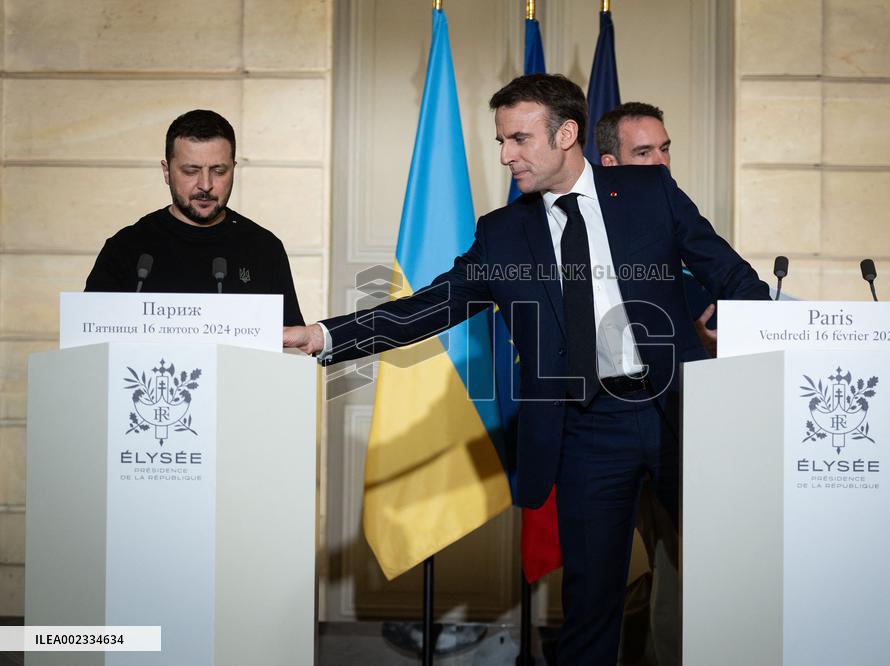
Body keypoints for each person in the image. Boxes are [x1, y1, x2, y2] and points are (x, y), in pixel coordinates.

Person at [284, 73, 769, 664]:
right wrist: (326, 334)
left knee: (736, 577)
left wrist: (753, 328)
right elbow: (430, 306)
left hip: (681, 412)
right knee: (591, 606)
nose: (507, 154)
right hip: (588, 429)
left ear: (566, 134)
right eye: (501, 141)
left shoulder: (650, 193)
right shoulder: (503, 233)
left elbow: (734, 276)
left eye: (519, 139)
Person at [594, 101, 691, 666]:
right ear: (609, 162)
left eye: (665, 148)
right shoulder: (582, 225)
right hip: (609, 419)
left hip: (686, 417)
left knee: (679, 567)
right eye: (644, 152)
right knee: (643, 568)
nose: (661, 161)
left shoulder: (676, 212)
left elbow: (718, 282)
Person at [85, 109, 305, 326]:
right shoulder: (125, 249)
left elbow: (290, 349)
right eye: (191, 171)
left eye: (219, 171)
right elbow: (88, 343)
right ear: (166, 172)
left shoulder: (264, 249)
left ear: (233, 170)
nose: (206, 185)